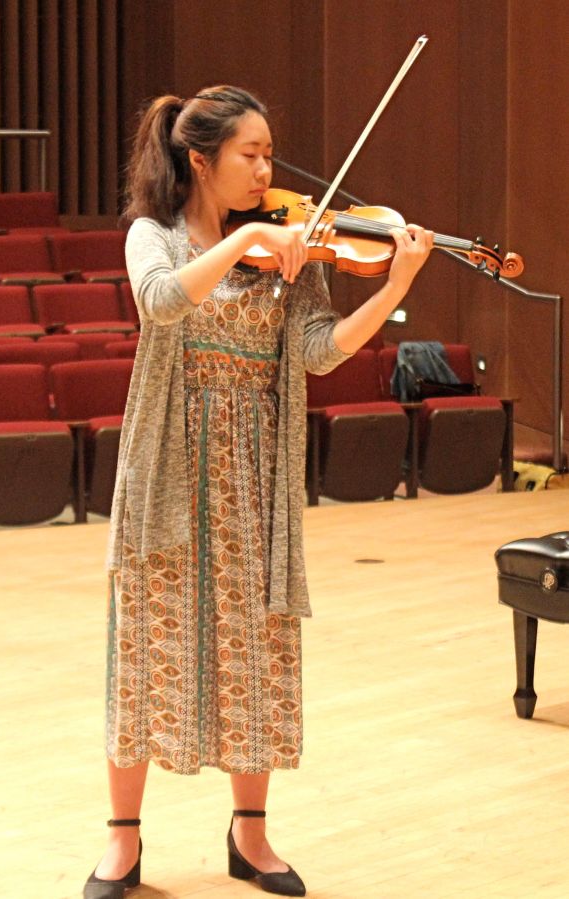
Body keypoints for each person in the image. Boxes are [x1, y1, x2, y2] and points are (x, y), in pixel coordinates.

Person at [83, 85, 433, 899]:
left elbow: (317, 350)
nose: (266, 170)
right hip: (168, 462)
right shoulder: (155, 235)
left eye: (270, 154)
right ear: (200, 159)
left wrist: (392, 286)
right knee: (146, 646)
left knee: (255, 645)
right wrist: (247, 242)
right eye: (251, 154)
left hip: (254, 470)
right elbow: (160, 302)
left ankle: (250, 833)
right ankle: (123, 839)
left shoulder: (290, 246)